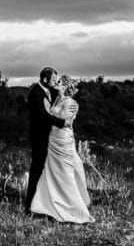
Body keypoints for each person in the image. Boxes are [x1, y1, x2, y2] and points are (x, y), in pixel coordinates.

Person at [29, 75, 95, 224]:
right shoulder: (57, 99)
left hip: (63, 140)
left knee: (64, 172)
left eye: (59, 82)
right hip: (53, 139)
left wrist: (51, 115)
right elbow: (52, 116)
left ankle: (74, 208)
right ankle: (48, 205)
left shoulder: (71, 102)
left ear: (65, 87)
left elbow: (67, 121)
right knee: (52, 172)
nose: (56, 83)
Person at [24, 67, 68, 212]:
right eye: (53, 80)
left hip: (52, 137)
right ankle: (29, 204)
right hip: (39, 138)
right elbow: (43, 116)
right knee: (37, 169)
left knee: (49, 169)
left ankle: (47, 202)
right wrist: (62, 123)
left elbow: (58, 104)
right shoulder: (35, 94)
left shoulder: (51, 91)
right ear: (45, 79)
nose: (55, 82)